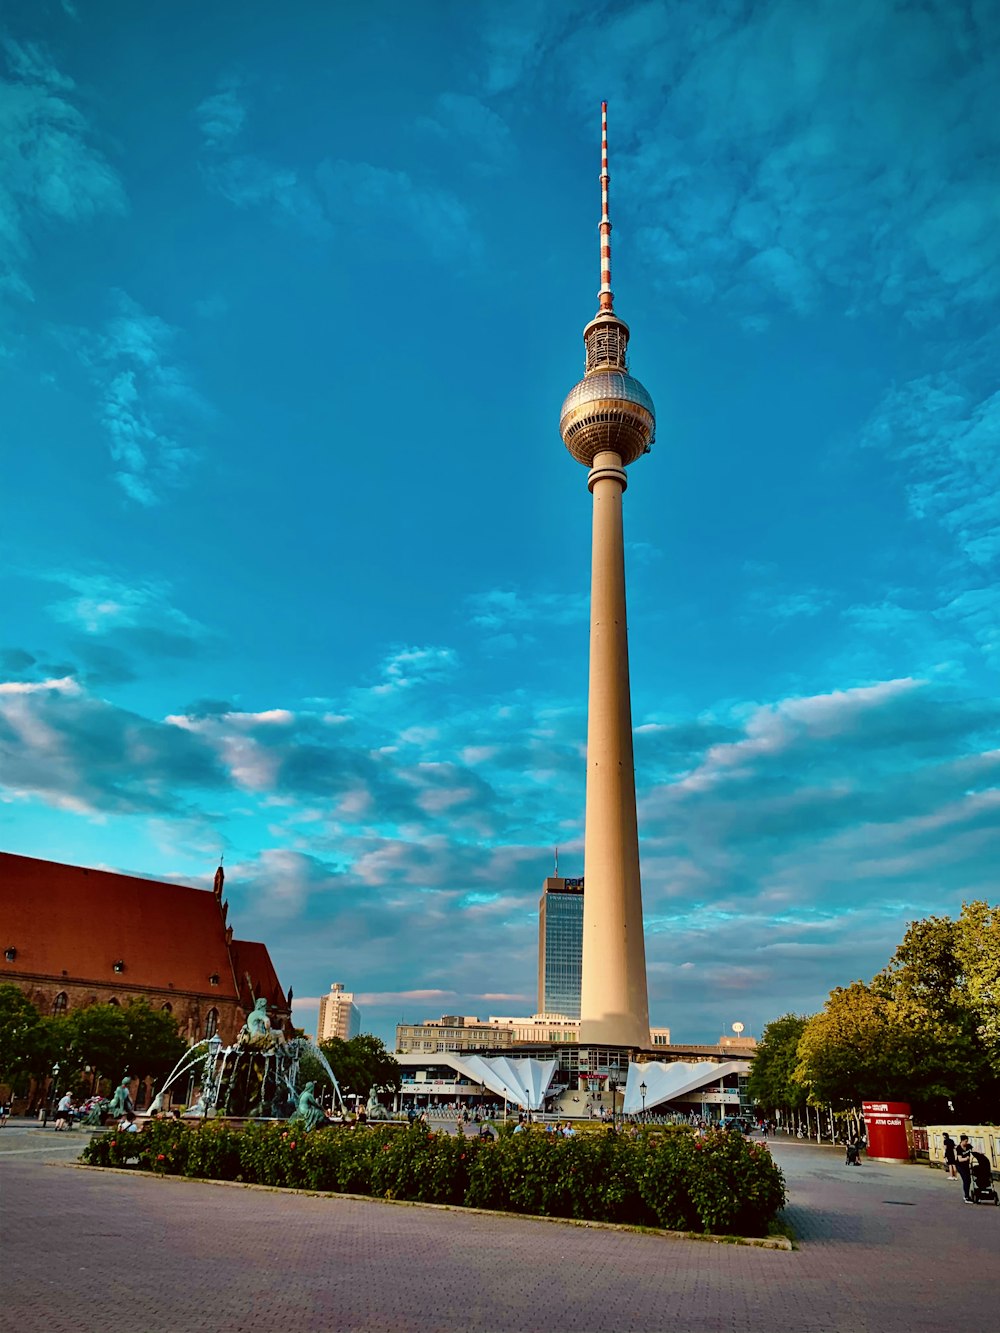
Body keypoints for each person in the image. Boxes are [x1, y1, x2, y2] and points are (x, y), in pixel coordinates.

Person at [955, 1135, 975, 1202]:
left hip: (966, 1166)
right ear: (962, 1141)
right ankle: (966, 1197)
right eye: (965, 1141)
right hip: (960, 1166)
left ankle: (966, 1195)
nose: (966, 1142)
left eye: (967, 1141)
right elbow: (960, 1159)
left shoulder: (968, 1146)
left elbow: (974, 1151)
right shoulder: (958, 1148)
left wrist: (973, 1156)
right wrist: (966, 1158)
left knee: (969, 1180)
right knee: (966, 1180)